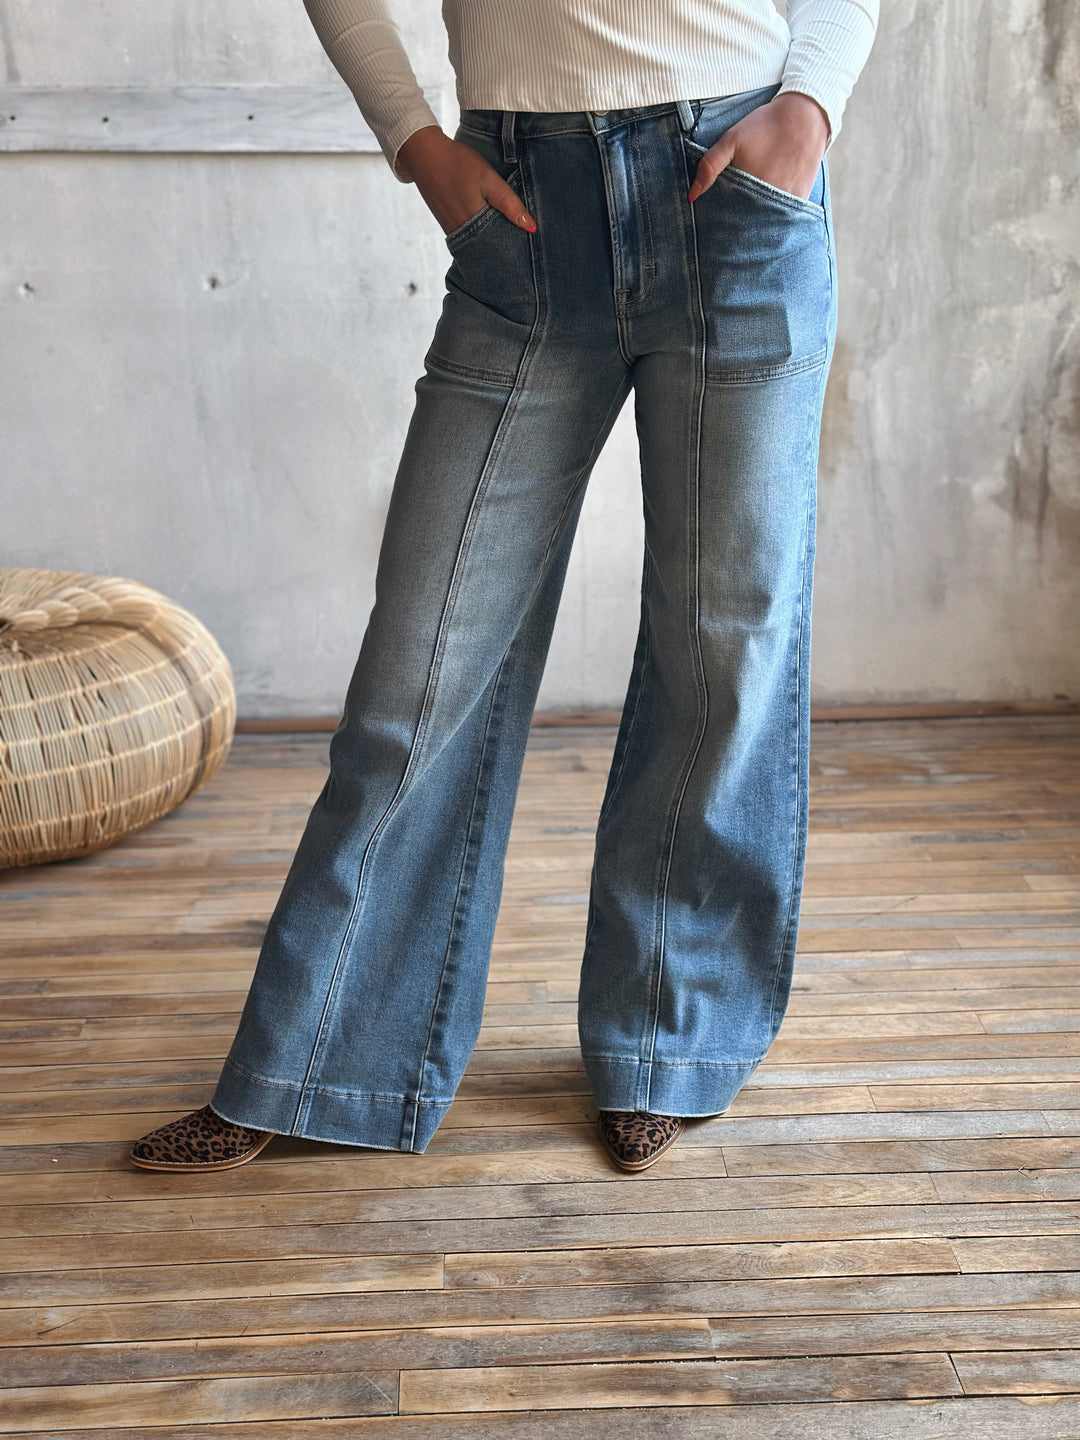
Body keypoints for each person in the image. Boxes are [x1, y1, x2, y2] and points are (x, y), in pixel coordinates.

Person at [130, 0, 878, 1176]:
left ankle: (668, 1044)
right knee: (420, 667)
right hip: (523, 211)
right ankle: (323, 1057)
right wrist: (414, 140)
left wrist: (810, 105)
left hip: (735, 184)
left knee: (725, 637)